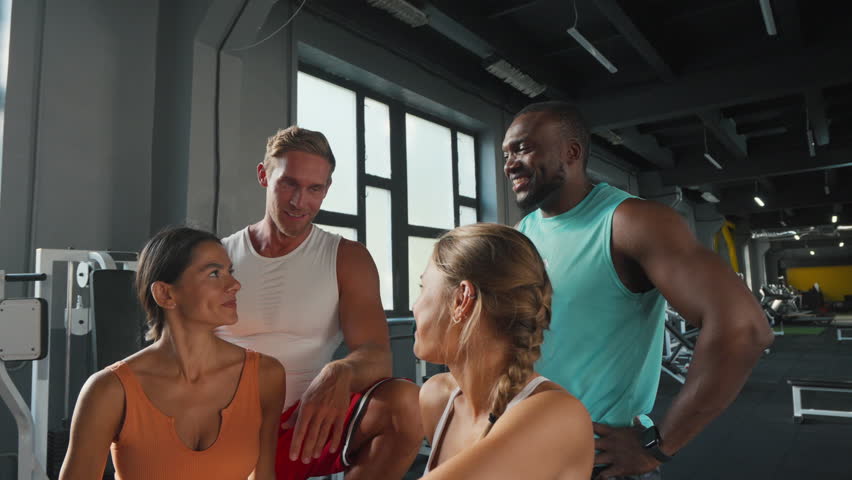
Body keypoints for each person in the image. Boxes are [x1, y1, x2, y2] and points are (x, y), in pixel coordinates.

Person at [503, 101, 774, 479]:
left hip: (597, 458)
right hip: (524, 447)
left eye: (523, 148)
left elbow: (744, 328)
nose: (509, 163)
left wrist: (659, 445)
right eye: (506, 153)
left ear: (572, 152)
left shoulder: (631, 222)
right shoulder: (521, 234)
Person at [216, 126, 422, 480]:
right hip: (220, 427)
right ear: (264, 175)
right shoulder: (218, 256)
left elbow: (376, 355)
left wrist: (339, 370)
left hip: (304, 429)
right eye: (289, 184)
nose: (300, 201)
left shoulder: (347, 258)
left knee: (405, 405)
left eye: (315, 189)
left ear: (327, 189)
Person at [59, 227, 286, 480]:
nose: (235, 284)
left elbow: (264, 475)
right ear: (165, 294)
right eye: (214, 274)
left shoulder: (266, 376)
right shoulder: (108, 390)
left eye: (229, 272)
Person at [416, 223, 594, 479]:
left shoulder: (558, 415)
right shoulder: (436, 399)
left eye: (422, 289)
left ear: (461, 299)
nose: (415, 306)